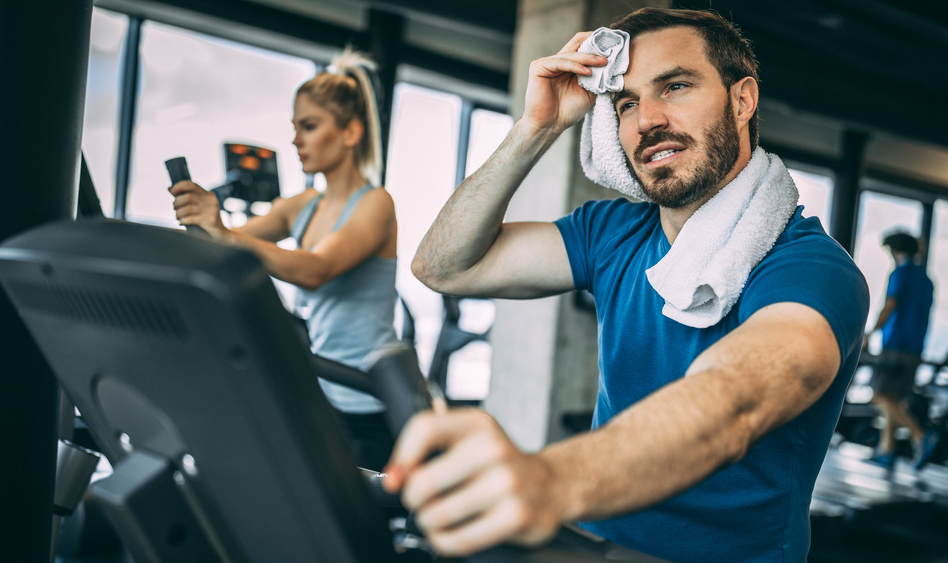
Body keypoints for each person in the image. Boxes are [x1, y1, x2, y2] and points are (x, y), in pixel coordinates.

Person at [381, 8, 868, 563]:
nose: (646, 120)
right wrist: (535, 128)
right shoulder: (613, 231)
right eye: (626, 102)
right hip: (588, 545)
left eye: (676, 86)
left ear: (742, 100)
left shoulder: (811, 268)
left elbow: (734, 403)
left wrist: (549, 479)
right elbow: (444, 266)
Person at [169, 50, 399, 471]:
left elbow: (316, 269)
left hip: (371, 403)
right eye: (295, 128)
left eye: (309, 127)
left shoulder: (376, 204)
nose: (296, 140)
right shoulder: (302, 206)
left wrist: (223, 230)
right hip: (324, 388)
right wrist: (199, 218)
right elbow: (225, 245)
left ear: (350, 133)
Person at [866, 232, 938, 470]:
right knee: (893, 399)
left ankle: (920, 435)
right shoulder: (926, 279)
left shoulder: (900, 274)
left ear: (894, 251)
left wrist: (870, 333)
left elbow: (890, 305)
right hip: (915, 349)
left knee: (879, 395)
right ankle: (886, 450)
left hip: (895, 346)